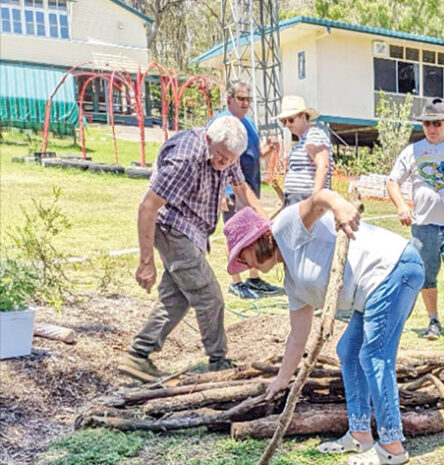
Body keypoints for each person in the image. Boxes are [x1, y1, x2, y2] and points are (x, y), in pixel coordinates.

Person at [224, 193, 425, 465]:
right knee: (349, 351)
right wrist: (282, 380)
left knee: (374, 355)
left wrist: (340, 207)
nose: (246, 265)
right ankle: (360, 434)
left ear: (255, 239)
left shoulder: (285, 227)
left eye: (243, 255)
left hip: (395, 269)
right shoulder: (293, 283)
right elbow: (298, 336)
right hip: (371, 291)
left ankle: (392, 445)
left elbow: (318, 199)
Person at [118, 116, 264, 382]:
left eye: (230, 159)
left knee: (177, 298)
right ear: (208, 140)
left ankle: (138, 356)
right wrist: (146, 262)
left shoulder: (227, 153)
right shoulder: (185, 159)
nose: (224, 163)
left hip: (194, 231)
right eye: (221, 157)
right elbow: (147, 208)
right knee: (209, 295)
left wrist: (262, 222)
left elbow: (241, 187)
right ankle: (218, 361)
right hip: (172, 227)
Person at [387, 98, 444, 344]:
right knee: (426, 275)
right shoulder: (411, 151)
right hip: (423, 225)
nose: (432, 128)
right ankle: (433, 320)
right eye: (427, 124)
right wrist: (402, 205)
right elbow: (393, 182)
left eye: (436, 123)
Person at [210, 80, 283, 299]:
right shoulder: (222, 122)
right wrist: (221, 191)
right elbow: (212, 156)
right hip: (231, 191)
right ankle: (236, 282)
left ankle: (254, 278)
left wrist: (270, 149)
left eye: (248, 99)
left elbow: (255, 154)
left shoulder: (249, 124)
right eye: (241, 98)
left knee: (255, 235)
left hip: (249, 188)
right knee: (235, 234)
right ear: (230, 99)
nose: (245, 103)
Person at [278, 95, 333, 207]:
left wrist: (314, 200)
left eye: (291, 120)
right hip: (296, 198)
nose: (287, 124)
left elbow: (323, 166)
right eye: (284, 121)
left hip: (304, 197)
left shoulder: (313, 135)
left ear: (303, 117)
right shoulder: (304, 139)